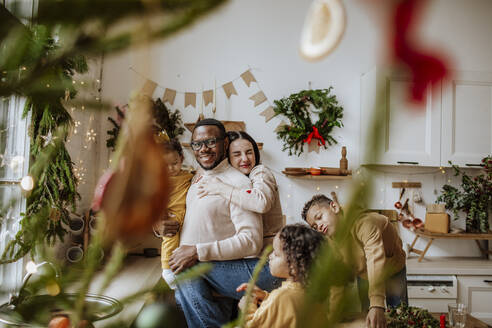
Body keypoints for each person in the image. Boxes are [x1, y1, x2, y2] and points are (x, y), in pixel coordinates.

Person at [163, 119, 280, 328]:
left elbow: (251, 242)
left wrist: (196, 251)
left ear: (225, 144)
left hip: (233, 268)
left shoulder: (239, 183)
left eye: (210, 142)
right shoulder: (198, 177)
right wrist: (159, 227)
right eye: (197, 144)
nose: (203, 149)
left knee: (187, 270)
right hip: (210, 279)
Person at [301, 193, 407, 328]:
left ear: (334, 207)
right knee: (368, 319)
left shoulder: (365, 223)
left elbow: (375, 259)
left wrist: (376, 304)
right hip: (364, 274)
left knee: (400, 316)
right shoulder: (330, 241)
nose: (319, 226)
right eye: (314, 226)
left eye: (319, 217)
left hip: (393, 268)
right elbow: (337, 279)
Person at [197, 130, 283, 248]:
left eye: (249, 152)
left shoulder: (260, 171)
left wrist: (220, 188)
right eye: (237, 154)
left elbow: (261, 202)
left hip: (268, 252)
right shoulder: (232, 178)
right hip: (248, 249)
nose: (245, 159)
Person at [235, 224, 325, 328]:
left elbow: (253, 325)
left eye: (276, 254)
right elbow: (286, 310)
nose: (270, 256)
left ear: (293, 266)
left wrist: (248, 307)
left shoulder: (281, 297)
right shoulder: (309, 292)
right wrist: (266, 297)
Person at [155, 139, 194, 289]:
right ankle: (167, 269)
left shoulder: (187, 175)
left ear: (181, 159)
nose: (171, 168)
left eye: (175, 163)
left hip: (185, 214)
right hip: (171, 215)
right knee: (171, 238)